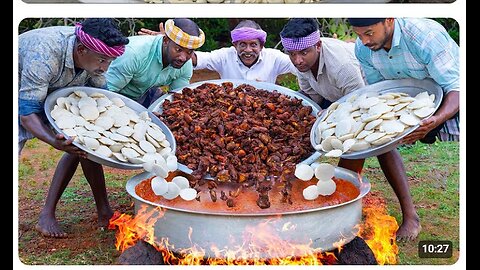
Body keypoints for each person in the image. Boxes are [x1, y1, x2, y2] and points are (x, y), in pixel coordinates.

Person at [280, 18, 420, 241]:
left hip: (368, 100)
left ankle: (410, 216)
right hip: (337, 103)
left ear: (317, 46)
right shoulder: (301, 63)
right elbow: (313, 99)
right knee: (318, 147)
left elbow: (360, 108)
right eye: (291, 55)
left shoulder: (342, 66)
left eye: (303, 53)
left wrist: (342, 145)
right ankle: (328, 202)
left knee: (382, 148)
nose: (297, 60)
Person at [18, 18, 129, 238]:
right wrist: (54, 141)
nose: (105, 68)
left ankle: (104, 211)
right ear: (80, 50)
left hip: (50, 87)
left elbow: (102, 96)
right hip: (22, 87)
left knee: (85, 147)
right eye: (102, 61)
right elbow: (26, 115)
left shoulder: (93, 55)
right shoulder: (44, 55)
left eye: (109, 61)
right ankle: (45, 217)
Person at [348, 18, 459, 143]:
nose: (364, 41)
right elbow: (380, 90)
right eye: (359, 35)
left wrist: (437, 119)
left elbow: (457, 87)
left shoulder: (426, 37)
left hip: (450, 96)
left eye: (369, 33)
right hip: (411, 104)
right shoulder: (362, 49)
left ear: (389, 20)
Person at [138, 20, 296, 84]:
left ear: (261, 46)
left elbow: (299, 65)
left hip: (267, 110)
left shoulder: (274, 58)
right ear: (235, 45)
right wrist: (173, 43)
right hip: (229, 110)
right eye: (242, 45)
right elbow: (197, 59)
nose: (248, 50)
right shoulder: (225, 56)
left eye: (253, 45)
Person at [106, 18, 205, 107]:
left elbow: (179, 98)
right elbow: (106, 92)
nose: (183, 58)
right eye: (178, 49)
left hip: (144, 95)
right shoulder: (134, 54)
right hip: (116, 96)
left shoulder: (186, 64)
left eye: (189, 52)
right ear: (166, 41)